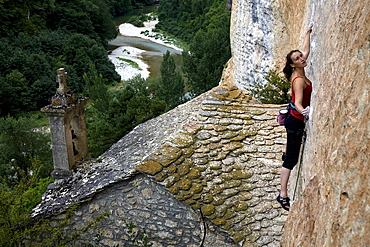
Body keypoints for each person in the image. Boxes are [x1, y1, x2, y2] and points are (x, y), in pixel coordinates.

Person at [277, 23, 313, 211]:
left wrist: (306, 32)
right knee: (291, 159)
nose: (302, 58)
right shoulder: (298, 80)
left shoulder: (300, 67)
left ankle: (282, 192)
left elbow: (306, 50)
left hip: (294, 118)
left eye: (301, 56)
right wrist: (304, 111)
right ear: (293, 64)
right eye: (298, 58)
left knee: (291, 154)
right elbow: (298, 102)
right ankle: (282, 194)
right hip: (294, 120)